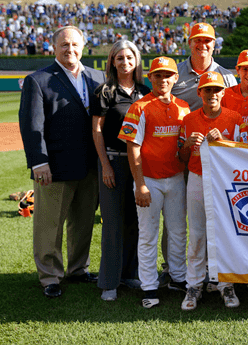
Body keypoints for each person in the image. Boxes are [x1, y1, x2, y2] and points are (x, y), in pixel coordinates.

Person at [18, 25, 105, 298]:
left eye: (75, 44)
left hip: (91, 165)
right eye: (64, 45)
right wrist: (38, 162)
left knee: (82, 222)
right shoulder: (39, 80)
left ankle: (78, 269)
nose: (70, 49)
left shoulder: (97, 77)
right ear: (53, 48)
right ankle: (50, 277)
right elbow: (32, 126)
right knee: (49, 225)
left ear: (83, 46)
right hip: (54, 167)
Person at [165, 22, 236, 286]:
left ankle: (214, 271)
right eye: (197, 40)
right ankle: (173, 268)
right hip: (181, 150)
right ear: (190, 42)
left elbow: (231, 117)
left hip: (215, 160)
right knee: (177, 217)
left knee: (214, 219)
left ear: (214, 44)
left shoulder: (226, 76)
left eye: (207, 41)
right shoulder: (176, 72)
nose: (202, 45)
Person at [118, 56, 191, 309]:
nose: (163, 80)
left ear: (175, 78)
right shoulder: (139, 107)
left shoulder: (184, 107)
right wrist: (140, 184)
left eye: (167, 75)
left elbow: (183, 146)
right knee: (148, 235)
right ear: (151, 78)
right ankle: (149, 285)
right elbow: (132, 147)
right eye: (158, 75)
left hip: (176, 178)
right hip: (149, 179)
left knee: (178, 231)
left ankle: (178, 278)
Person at [91, 40, 150, 301]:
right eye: (119, 58)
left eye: (129, 58)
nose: (125, 63)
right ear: (112, 62)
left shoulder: (145, 91)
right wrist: (105, 165)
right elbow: (97, 130)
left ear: (136, 61)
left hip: (138, 163)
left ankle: (130, 273)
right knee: (113, 223)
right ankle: (109, 281)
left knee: (135, 222)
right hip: (113, 161)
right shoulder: (104, 92)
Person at [179, 72, 244, 310]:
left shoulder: (235, 118)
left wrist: (225, 141)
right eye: (207, 89)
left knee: (225, 233)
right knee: (196, 234)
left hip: (225, 181)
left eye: (216, 90)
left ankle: (225, 284)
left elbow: (242, 155)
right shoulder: (189, 119)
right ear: (200, 92)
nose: (212, 94)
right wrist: (186, 145)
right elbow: (182, 156)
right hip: (197, 177)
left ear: (223, 92)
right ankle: (194, 285)